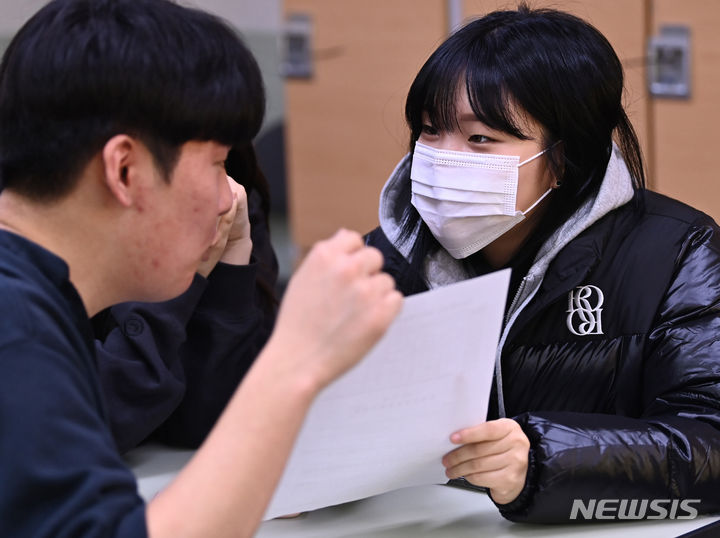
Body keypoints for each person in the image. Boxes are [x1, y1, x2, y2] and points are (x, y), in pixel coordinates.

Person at [0, 1, 402, 536]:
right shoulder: (17, 330)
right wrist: (297, 358)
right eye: (216, 164)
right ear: (124, 168)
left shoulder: (38, 300)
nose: (227, 197)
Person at [365, 4, 720, 523]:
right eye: (428, 131)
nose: (442, 160)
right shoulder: (383, 257)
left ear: (563, 155)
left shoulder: (678, 253)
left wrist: (546, 459)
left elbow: (709, 441)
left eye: (480, 138)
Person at [92, 144, 281, 453]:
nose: (226, 196)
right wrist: (176, 281)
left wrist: (231, 259)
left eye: (221, 160)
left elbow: (208, 424)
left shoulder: (234, 194)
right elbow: (88, 422)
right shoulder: (57, 223)